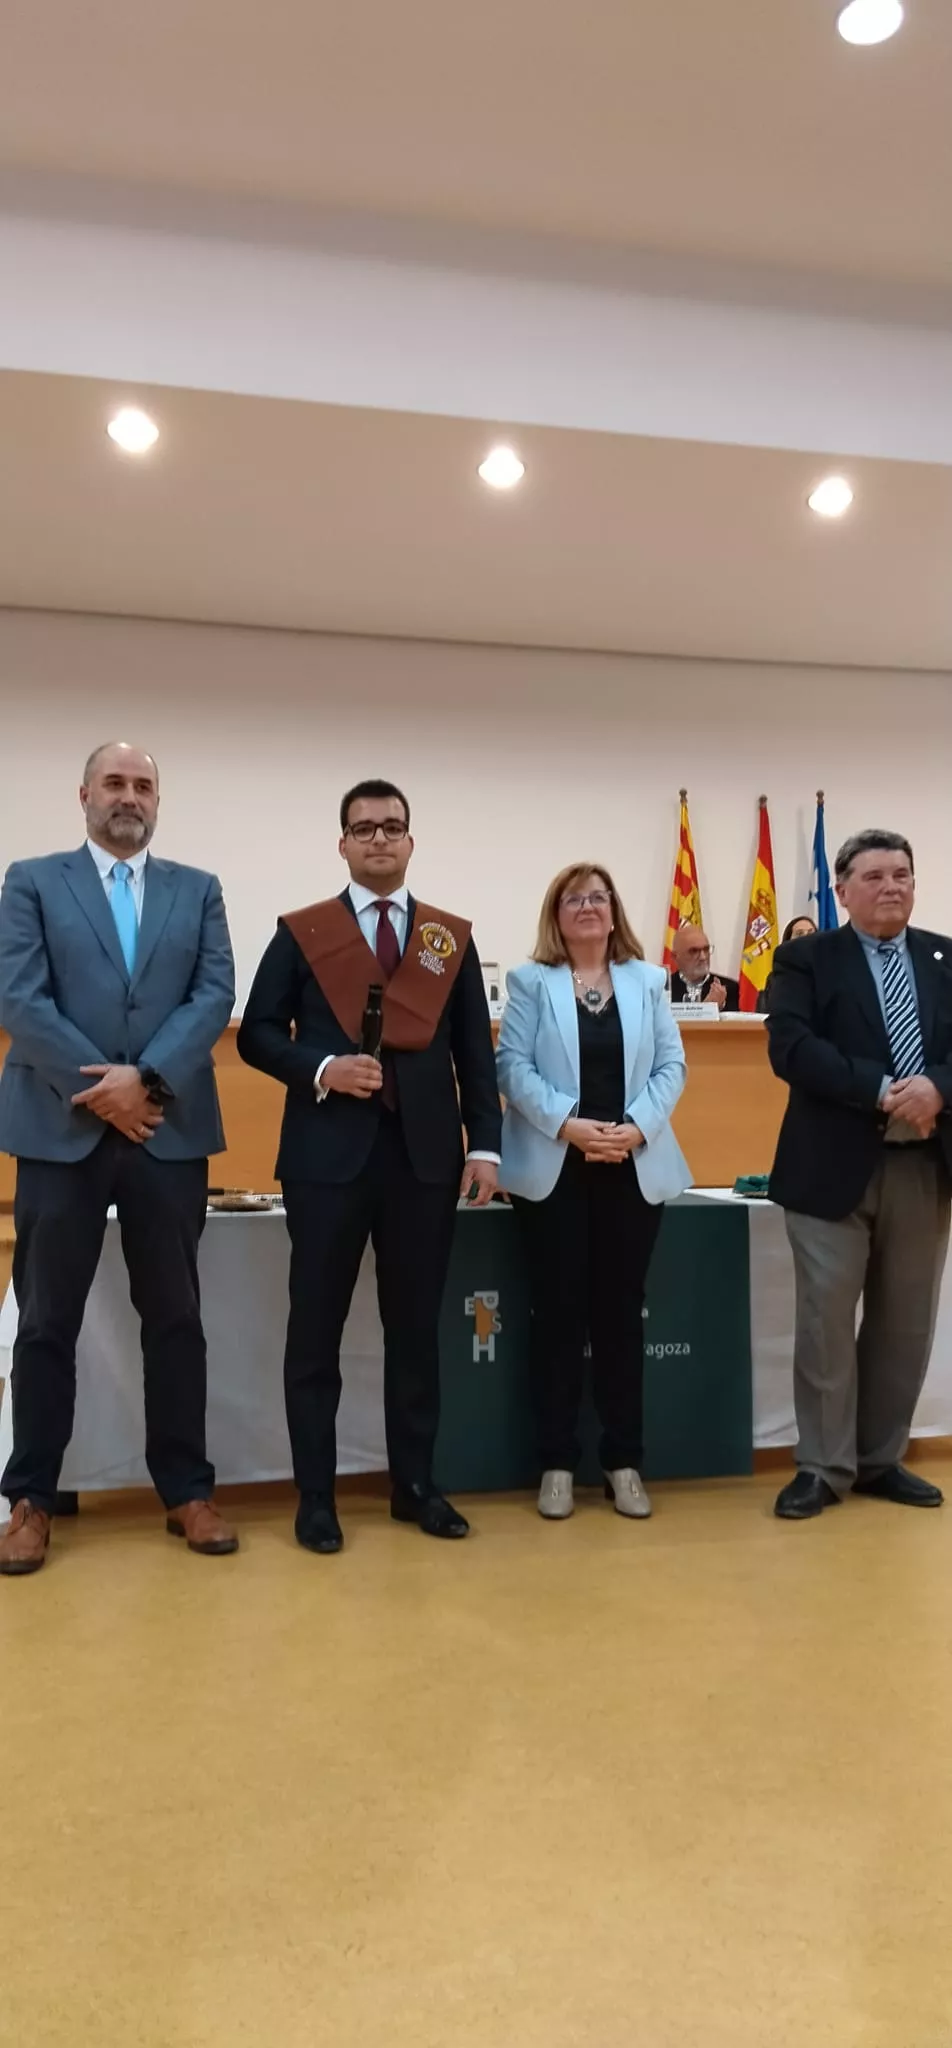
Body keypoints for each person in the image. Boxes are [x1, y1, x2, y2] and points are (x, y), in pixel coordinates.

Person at [237, 778, 501, 1555]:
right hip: (326, 1160)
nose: (379, 840)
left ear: (411, 842)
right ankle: (315, 1498)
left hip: (425, 1160)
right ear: (343, 844)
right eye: (364, 829)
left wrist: (483, 1143)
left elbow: (474, 1054)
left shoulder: (446, 938)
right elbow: (256, 1032)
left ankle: (415, 1486)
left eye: (392, 827)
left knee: (416, 1331)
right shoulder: (302, 931)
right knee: (314, 1332)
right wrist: (321, 1068)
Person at [0, 743, 238, 1575]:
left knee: (175, 1320)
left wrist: (149, 1081)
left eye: (143, 785)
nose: (128, 797)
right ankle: (31, 1499)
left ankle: (187, 1491)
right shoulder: (30, 881)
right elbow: (19, 997)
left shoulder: (197, 890)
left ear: (158, 801)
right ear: (85, 796)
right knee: (45, 1323)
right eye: (115, 783)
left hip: (166, 1129)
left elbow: (213, 996)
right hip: (60, 1128)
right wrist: (105, 1087)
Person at [767, 829, 952, 1520]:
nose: (893, 887)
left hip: (923, 1165)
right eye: (875, 877)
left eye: (903, 874)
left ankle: (880, 1458)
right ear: (842, 890)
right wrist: (880, 1089)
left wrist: (935, 1087)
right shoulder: (806, 958)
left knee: (906, 1324)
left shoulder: (944, 958)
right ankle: (822, 1465)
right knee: (824, 1321)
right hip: (831, 1168)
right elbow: (791, 1048)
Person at [497, 864, 691, 1521]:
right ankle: (556, 1462)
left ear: (614, 913)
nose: (586, 907)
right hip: (556, 1168)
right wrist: (569, 1125)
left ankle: (623, 1462)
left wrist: (635, 1130)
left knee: (618, 1320)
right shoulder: (530, 982)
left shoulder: (649, 981)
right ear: (556, 915)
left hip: (631, 1169)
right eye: (573, 899)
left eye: (598, 898)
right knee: (556, 1317)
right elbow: (511, 1067)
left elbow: (672, 1065)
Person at [756, 914, 817, 1013]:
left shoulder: (829, 974)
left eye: (811, 933)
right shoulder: (776, 978)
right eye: (799, 934)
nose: (806, 938)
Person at [669, 924, 740, 1010]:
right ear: (675, 957)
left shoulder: (729, 989)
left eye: (706, 949)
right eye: (694, 951)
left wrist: (720, 1005)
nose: (703, 957)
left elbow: (735, 1022)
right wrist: (707, 1008)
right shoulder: (663, 989)